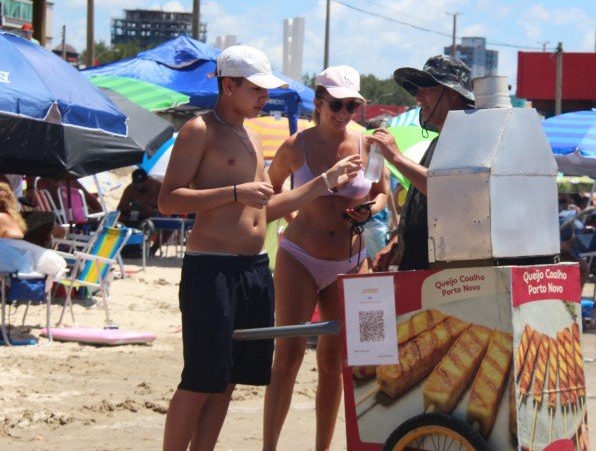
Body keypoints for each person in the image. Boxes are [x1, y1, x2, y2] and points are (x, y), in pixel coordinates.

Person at [159, 46, 362, 451]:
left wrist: (324, 183)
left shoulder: (251, 134)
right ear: (229, 85)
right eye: (256, 89)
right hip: (212, 266)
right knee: (200, 378)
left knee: (228, 379)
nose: (264, 98)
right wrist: (234, 191)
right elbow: (168, 201)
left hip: (252, 267)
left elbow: (266, 209)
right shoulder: (200, 129)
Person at [263, 65, 387, 451]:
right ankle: (269, 447)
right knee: (288, 356)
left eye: (352, 105)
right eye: (337, 104)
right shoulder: (296, 145)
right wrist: (292, 216)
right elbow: (269, 193)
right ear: (318, 102)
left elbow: (382, 192)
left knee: (334, 365)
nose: (345, 113)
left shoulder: (368, 144)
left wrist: (369, 211)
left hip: (350, 260)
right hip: (301, 255)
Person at [367, 55, 474, 271]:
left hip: (447, 277)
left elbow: (444, 190)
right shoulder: (440, 141)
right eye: (417, 91)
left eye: (426, 89)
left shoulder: (469, 139)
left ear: (452, 94)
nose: (418, 98)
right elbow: (422, 202)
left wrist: (396, 157)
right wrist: (397, 244)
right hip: (422, 271)